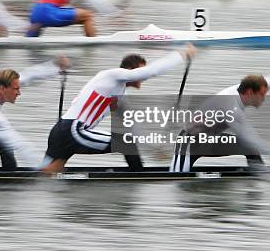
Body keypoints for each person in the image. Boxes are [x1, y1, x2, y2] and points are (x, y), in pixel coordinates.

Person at [41, 45, 197, 173]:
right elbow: (151, 71)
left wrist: (155, 149)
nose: (143, 77)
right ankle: (139, 178)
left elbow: (134, 128)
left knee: (44, 176)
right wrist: (181, 54)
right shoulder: (112, 76)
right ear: (130, 70)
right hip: (74, 130)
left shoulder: (119, 96)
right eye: (140, 72)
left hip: (60, 131)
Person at [170, 57, 270, 172]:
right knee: (177, 182)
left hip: (208, 139)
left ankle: (259, 171)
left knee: (249, 147)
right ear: (250, 93)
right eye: (262, 95)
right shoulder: (230, 107)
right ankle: (261, 171)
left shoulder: (249, 89)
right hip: (188, 143)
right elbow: (251, 137)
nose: (264, 98)